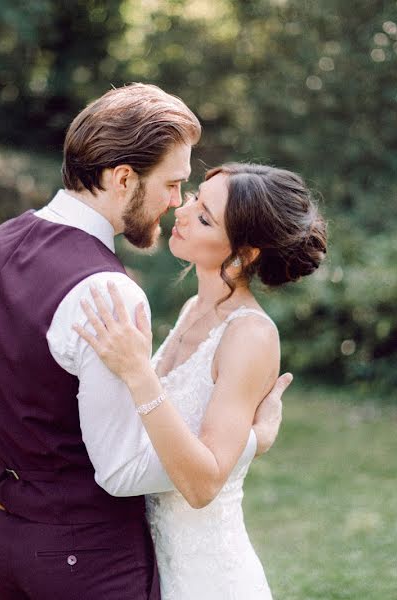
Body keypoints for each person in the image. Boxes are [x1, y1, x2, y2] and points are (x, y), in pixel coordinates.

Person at [0, 84, 292, 600]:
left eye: (197, 203)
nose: (176, 204)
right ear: (122, 178)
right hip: (86, 555)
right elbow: (122, 469)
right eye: (174, 184)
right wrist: (252, 440)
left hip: (11, 541)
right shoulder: (107, 291)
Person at [75, 163, 327, 599]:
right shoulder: (195, 307)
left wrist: (138, 373)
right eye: (194, 197)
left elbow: (203, 485)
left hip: (208, 578)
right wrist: (254, 441)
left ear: (245, 254)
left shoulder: (250, 335)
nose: (183, 211)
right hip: (153, 565)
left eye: (206, 217)